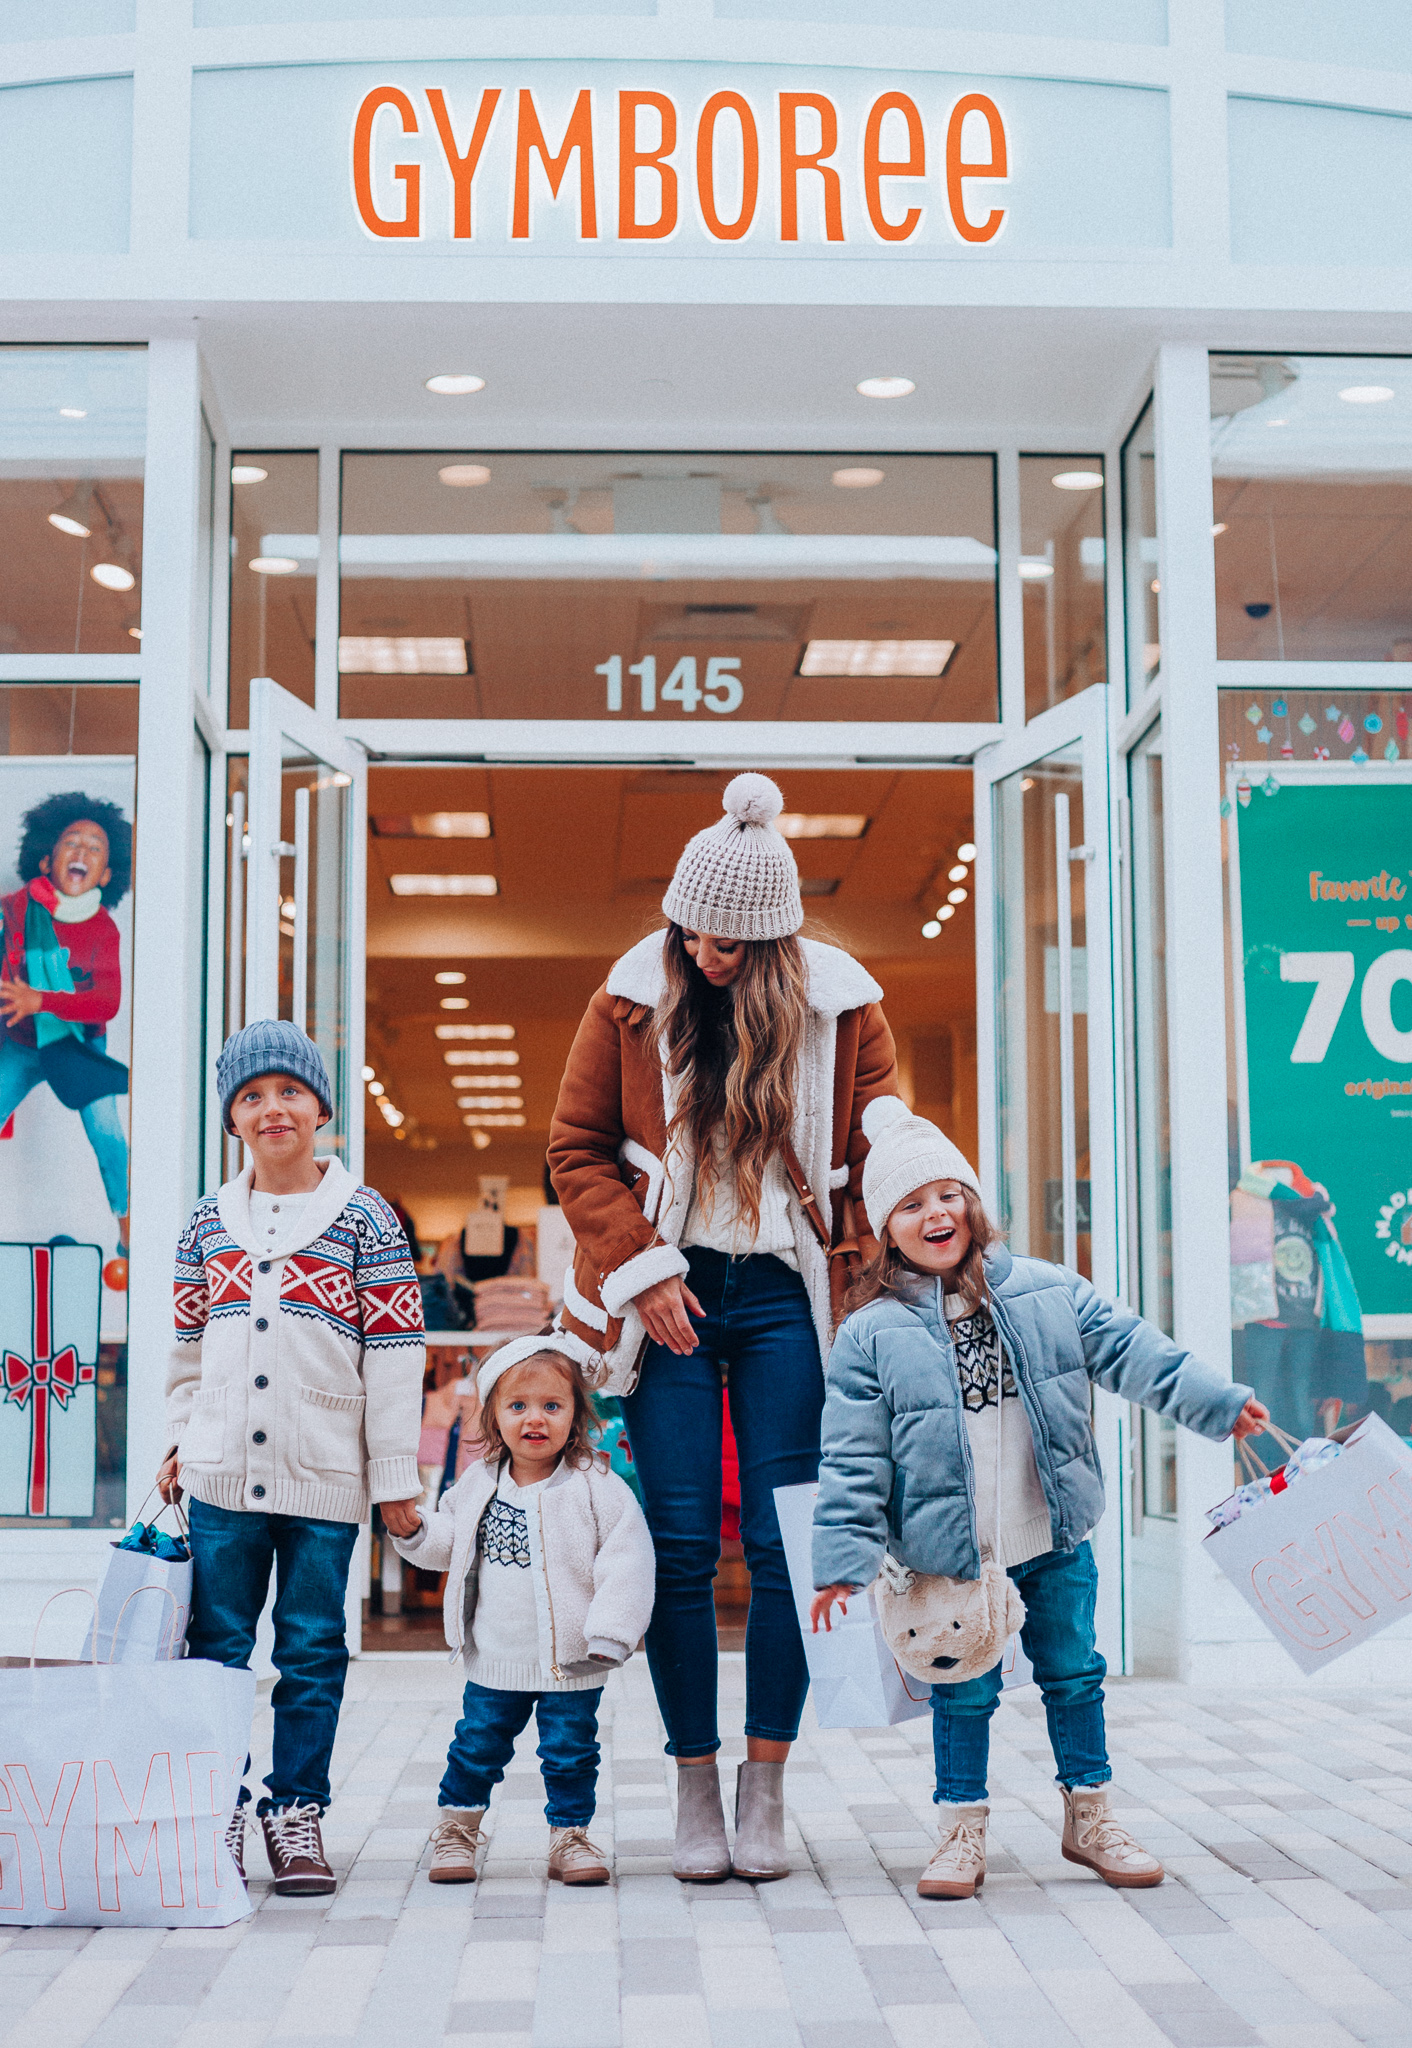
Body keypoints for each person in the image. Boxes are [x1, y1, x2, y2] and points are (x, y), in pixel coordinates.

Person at [548, 772, 898, 1883]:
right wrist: (641, 1266)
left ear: (774, 940)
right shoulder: (628, 1000)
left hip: (788, 1292)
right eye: (690, 926)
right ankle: (692, 1782)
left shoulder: (842, 1007)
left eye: (728, 939)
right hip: (672, 1290)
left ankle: (765, 1784)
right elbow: (574, 1151)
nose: (704, 948)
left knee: (790, 1548)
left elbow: (883, 1145)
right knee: (683, 1546)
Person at [811, 1097, 1271, 1900]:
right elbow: (852, 1455)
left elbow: (1136, 1352)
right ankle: (960, 1830)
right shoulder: (871, 1331)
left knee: (1074, 1671)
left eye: (947, 1193)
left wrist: (1217, 1403)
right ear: (887, 1230)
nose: (936, 1213)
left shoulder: (1049, 1291)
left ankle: (1089, 1815)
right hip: (948, 1552)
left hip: (1051, 1533)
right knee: (964, 1687)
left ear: (973, 1201)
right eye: (911, 1205)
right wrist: (840, 1561)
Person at [158, 1018, 425, 1896]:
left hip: (324, 1480)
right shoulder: (206, 1223)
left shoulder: (366, 1219)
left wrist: (392, 1477)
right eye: (251, 1096)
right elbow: (189, 1347)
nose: (272, 1109)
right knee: (219, 1646)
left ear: (320, 1109)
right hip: (221, 1478)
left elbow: (394, 1358)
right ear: (232, 1120)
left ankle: (295, 1810)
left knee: (314, 1646)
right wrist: (179, 1440)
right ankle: (220, 1808)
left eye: (289, 1092)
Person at [391, 1335, 655, 1888]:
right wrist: (416, 1530)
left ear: (577, 1417)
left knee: (571, 1752)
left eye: (552, 1406)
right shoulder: (477, 1484)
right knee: (476, 1745)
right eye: (518, 1407)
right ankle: (457, 1830)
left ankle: (569, 1836)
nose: (535, 1419)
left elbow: (628, 1558)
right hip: (496, 1656)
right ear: (492, 1417)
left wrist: (611, 1631)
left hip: (573, 1662)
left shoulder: (596, 1487)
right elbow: (450, 1541)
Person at [0, 792, 133, 1246]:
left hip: (79, 1048)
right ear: (46, 861)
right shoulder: (15, 908)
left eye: (95, 848)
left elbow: (105, 1003)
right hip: (20, 1044)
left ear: (106, 874)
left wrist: (43, 1001)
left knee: (108, 1135)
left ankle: (128, 1230)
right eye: (71, 842)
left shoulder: (102, 930)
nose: (82, 852)